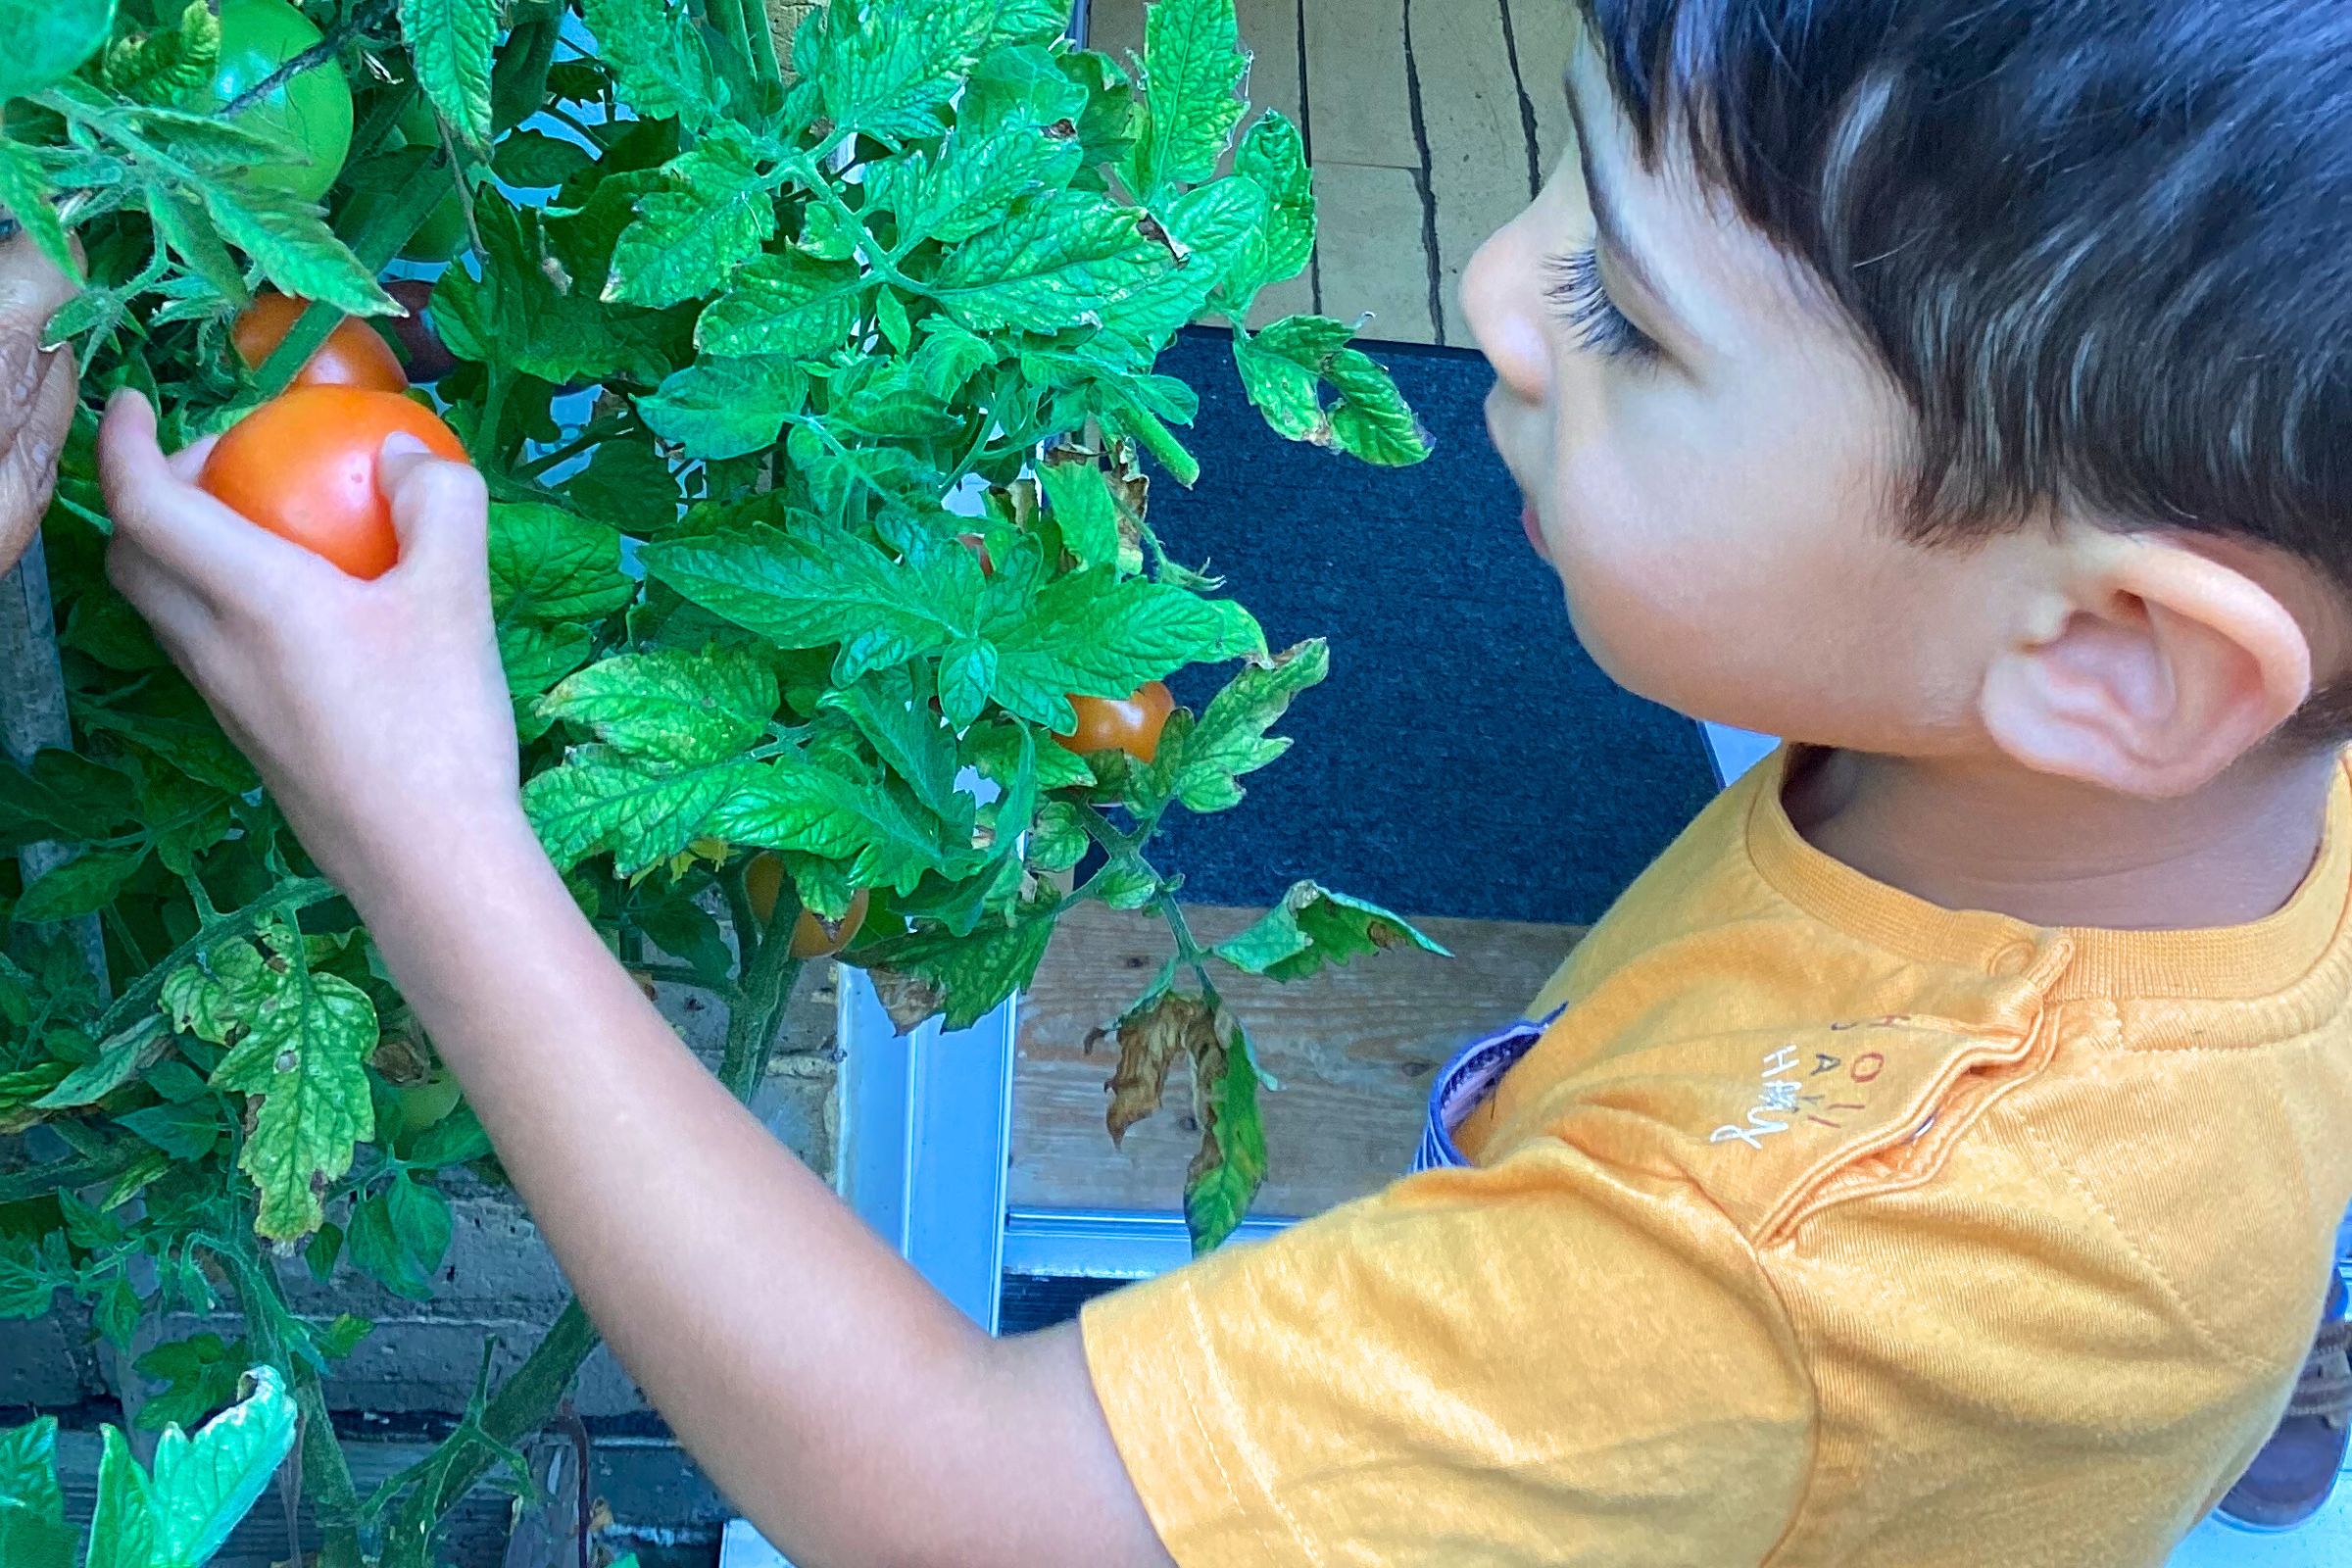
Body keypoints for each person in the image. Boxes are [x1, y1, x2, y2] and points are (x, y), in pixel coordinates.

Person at [79, 0, 2352, 1562]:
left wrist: (431, 820)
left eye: (1636, 318)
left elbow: (949, 1495)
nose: (1487, 281)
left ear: (2121, 655)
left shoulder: (1792, 1255)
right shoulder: (2177, 800)